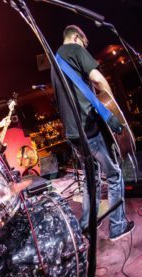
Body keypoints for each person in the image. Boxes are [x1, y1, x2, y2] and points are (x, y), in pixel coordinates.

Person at [51, 25, 134, 241]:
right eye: (84, 44)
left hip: (73, 133)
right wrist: (111, 104)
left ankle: (87, 225)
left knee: (91, 180)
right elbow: (97, 79)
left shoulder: (56, 62)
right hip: (88, 129)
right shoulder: (75, 50)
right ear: (77, 37)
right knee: (115, 174)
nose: (84, 48)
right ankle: (117, 226)